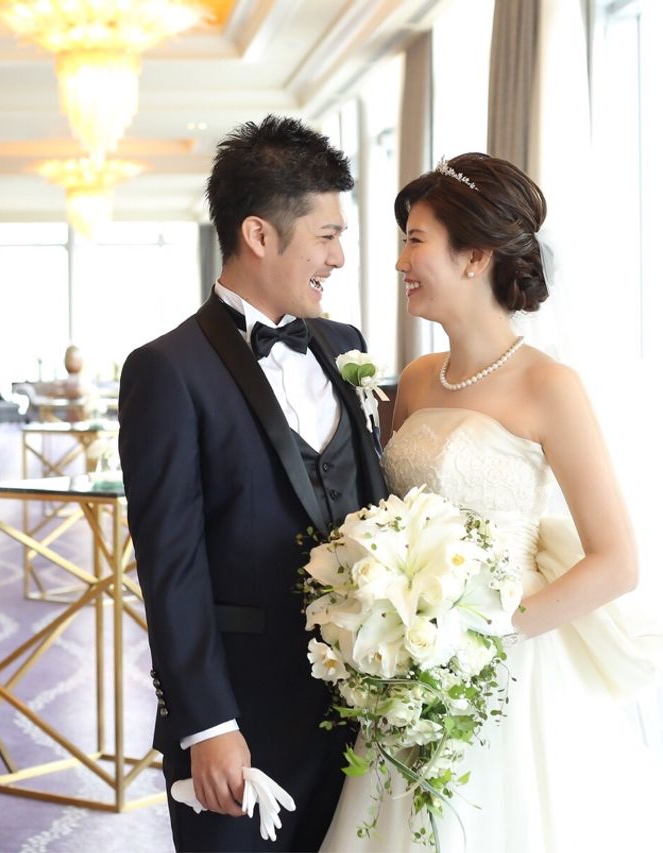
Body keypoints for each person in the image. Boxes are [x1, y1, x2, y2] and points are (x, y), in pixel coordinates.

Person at [321, 153, 663, 852]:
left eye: (415, 240)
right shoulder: (418, 379)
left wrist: (483, 633)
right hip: (418, 665)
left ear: (475, 257)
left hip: (516, 662)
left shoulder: (549, 386)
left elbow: (617, 562)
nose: (401, 260)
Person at [118, 115, 388, 851]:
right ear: (260, 235)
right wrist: (208, 723)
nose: (339, 257)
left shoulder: (345, 346)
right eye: (326, 235)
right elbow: (171, 563)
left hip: (364, 710)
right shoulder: (167, 370)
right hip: (241, 722)